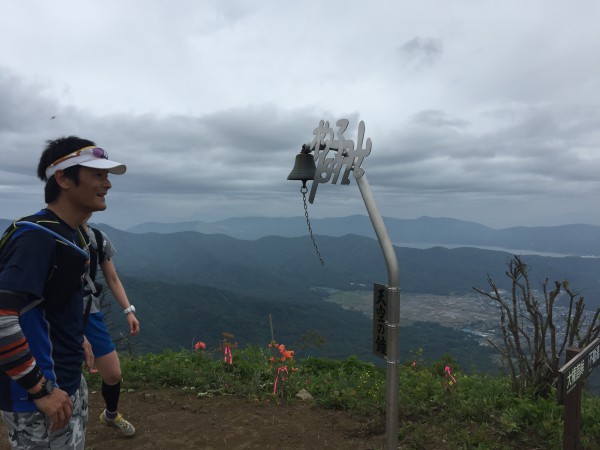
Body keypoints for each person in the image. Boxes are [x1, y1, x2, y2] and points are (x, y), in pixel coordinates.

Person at [0, 136, 126, 449]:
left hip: (66, 384)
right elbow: (2, 317)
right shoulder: (36, 238)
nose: (107, 184)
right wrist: (40, 389)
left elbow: (44, 304)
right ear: (63, 178)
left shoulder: (69, 235)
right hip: (37, 397)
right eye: (98, 175)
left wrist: (76, 338)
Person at [81, 213, 139, 436]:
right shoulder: (52, 234)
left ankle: (111, 415)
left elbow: (112, 278)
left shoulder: (97, 238)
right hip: (56, 316)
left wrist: (128, 311)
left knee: (113, 374)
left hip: (90, 312)